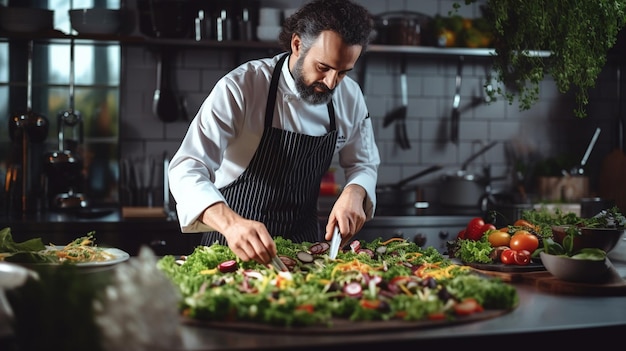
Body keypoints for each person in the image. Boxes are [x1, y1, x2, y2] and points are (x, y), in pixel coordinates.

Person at [168, 0, 380, 266]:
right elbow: (187, 168)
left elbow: (364, 162)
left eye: (343, 72)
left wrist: (356, 191)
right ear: (297, 45)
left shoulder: (349, 96)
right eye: (323, 67)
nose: (330, 83)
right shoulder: (242, 87)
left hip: (303, 252)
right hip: (232, 247)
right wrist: (232, 224)